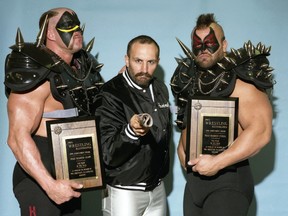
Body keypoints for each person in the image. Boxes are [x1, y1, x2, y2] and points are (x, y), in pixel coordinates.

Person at [170, 13, 274, 216]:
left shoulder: (242, 84)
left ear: (224, 44)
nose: (203, 50)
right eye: (197, 45)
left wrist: (217, 162)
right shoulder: (191, 83)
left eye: (209, 43)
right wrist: (182, 152)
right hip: (193, 187)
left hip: (228, 184)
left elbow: (261, 132)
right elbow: (186, 127)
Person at [4, 7, 104, 216]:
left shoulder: (81, 73)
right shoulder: (34, 71)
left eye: (78, 24)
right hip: (39, 183)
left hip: (72, 177)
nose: (77, 30)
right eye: (68, 24)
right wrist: (49, 185)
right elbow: (16, 137)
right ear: (50, 33)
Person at [94, 35, 171, 216]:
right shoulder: (110, 94)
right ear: (126, 60)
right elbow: (108, 154)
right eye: (138, 61)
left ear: (158, 62)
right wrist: (131, 132)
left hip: (157, 188)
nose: (144, 69)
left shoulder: (161, 88)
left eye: (151, 62)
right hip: (124, 192)